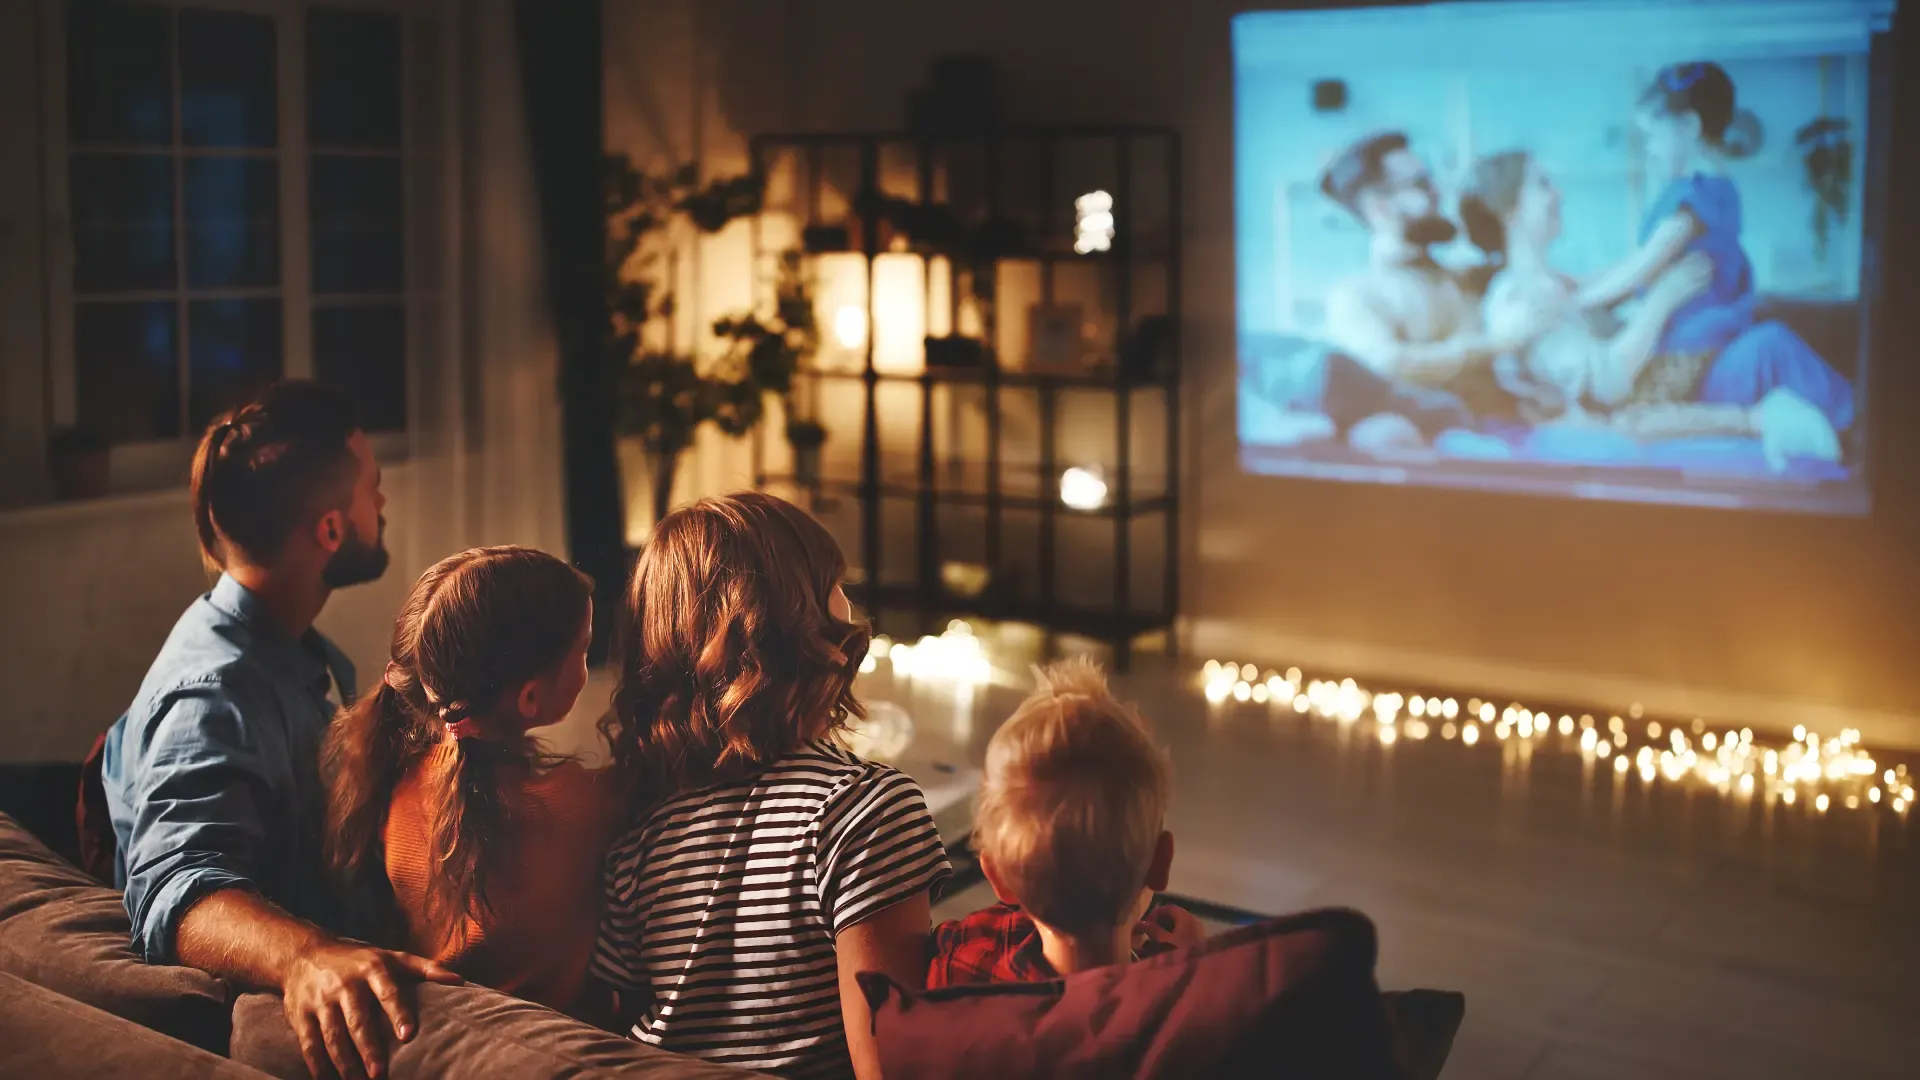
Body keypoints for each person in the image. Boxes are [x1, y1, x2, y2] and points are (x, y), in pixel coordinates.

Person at [100, 380, 460, 1080]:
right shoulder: (215, 693)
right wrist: (307, 957)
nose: (381, 505)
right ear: (330, 530)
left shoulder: (288, 651)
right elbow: (179, 887)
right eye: (373, 490)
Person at [592, 493, 951, 1080]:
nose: (850, 600)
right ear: (801, 619)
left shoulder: (639, 831)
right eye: (835, 582)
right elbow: (889, 1062)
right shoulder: (865, 810)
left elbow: (621, 1018)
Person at [323, 546, 614, 1019]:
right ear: (530, 697)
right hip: (549, 1043)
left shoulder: (395, 787)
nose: (586, 658)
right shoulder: (583, 804)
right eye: (583, 649)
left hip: (445, 1032)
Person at [1460, 148, 1844, 468]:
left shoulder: (1554, 282)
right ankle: (1861, 439)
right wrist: (1664, 299)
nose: (1558, 193)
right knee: (1770, 347)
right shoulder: (1520, 300)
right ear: (1510, 212)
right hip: (1642, 407)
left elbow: (1620, 278)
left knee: (1767, 340)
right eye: (1542, 185)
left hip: (1659, 385)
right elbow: (1607, 384)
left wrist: (1658, 273)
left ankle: (1855, 434)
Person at [1574, 62, 1854, 441]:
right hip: (1694, 346)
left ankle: (1860, 426)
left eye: (1653, 136)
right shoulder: (1694, 193)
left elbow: (1645, 262)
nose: (1651, 151)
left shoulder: (1701, 194)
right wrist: (1578, 284)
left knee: (1772, 344)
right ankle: (1853, 422)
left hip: (1693, 350)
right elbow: (1634, 260)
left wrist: (1580, 300)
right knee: (1772, 343)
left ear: (1688, 127)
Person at [927, 659, 1205, 989]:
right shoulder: (1179, 997)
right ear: (1161, 861)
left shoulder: (960, 966)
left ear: (997, 877)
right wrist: (1196, 962)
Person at [1315, 131, 1536, 454]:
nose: (1437, 193)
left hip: (1515, 429)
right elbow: (1386, 363)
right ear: (1380, 206)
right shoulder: (1356, 296)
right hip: (1449, 449)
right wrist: (1492, 345)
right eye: (1421, 184)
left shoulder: (1460, 278)